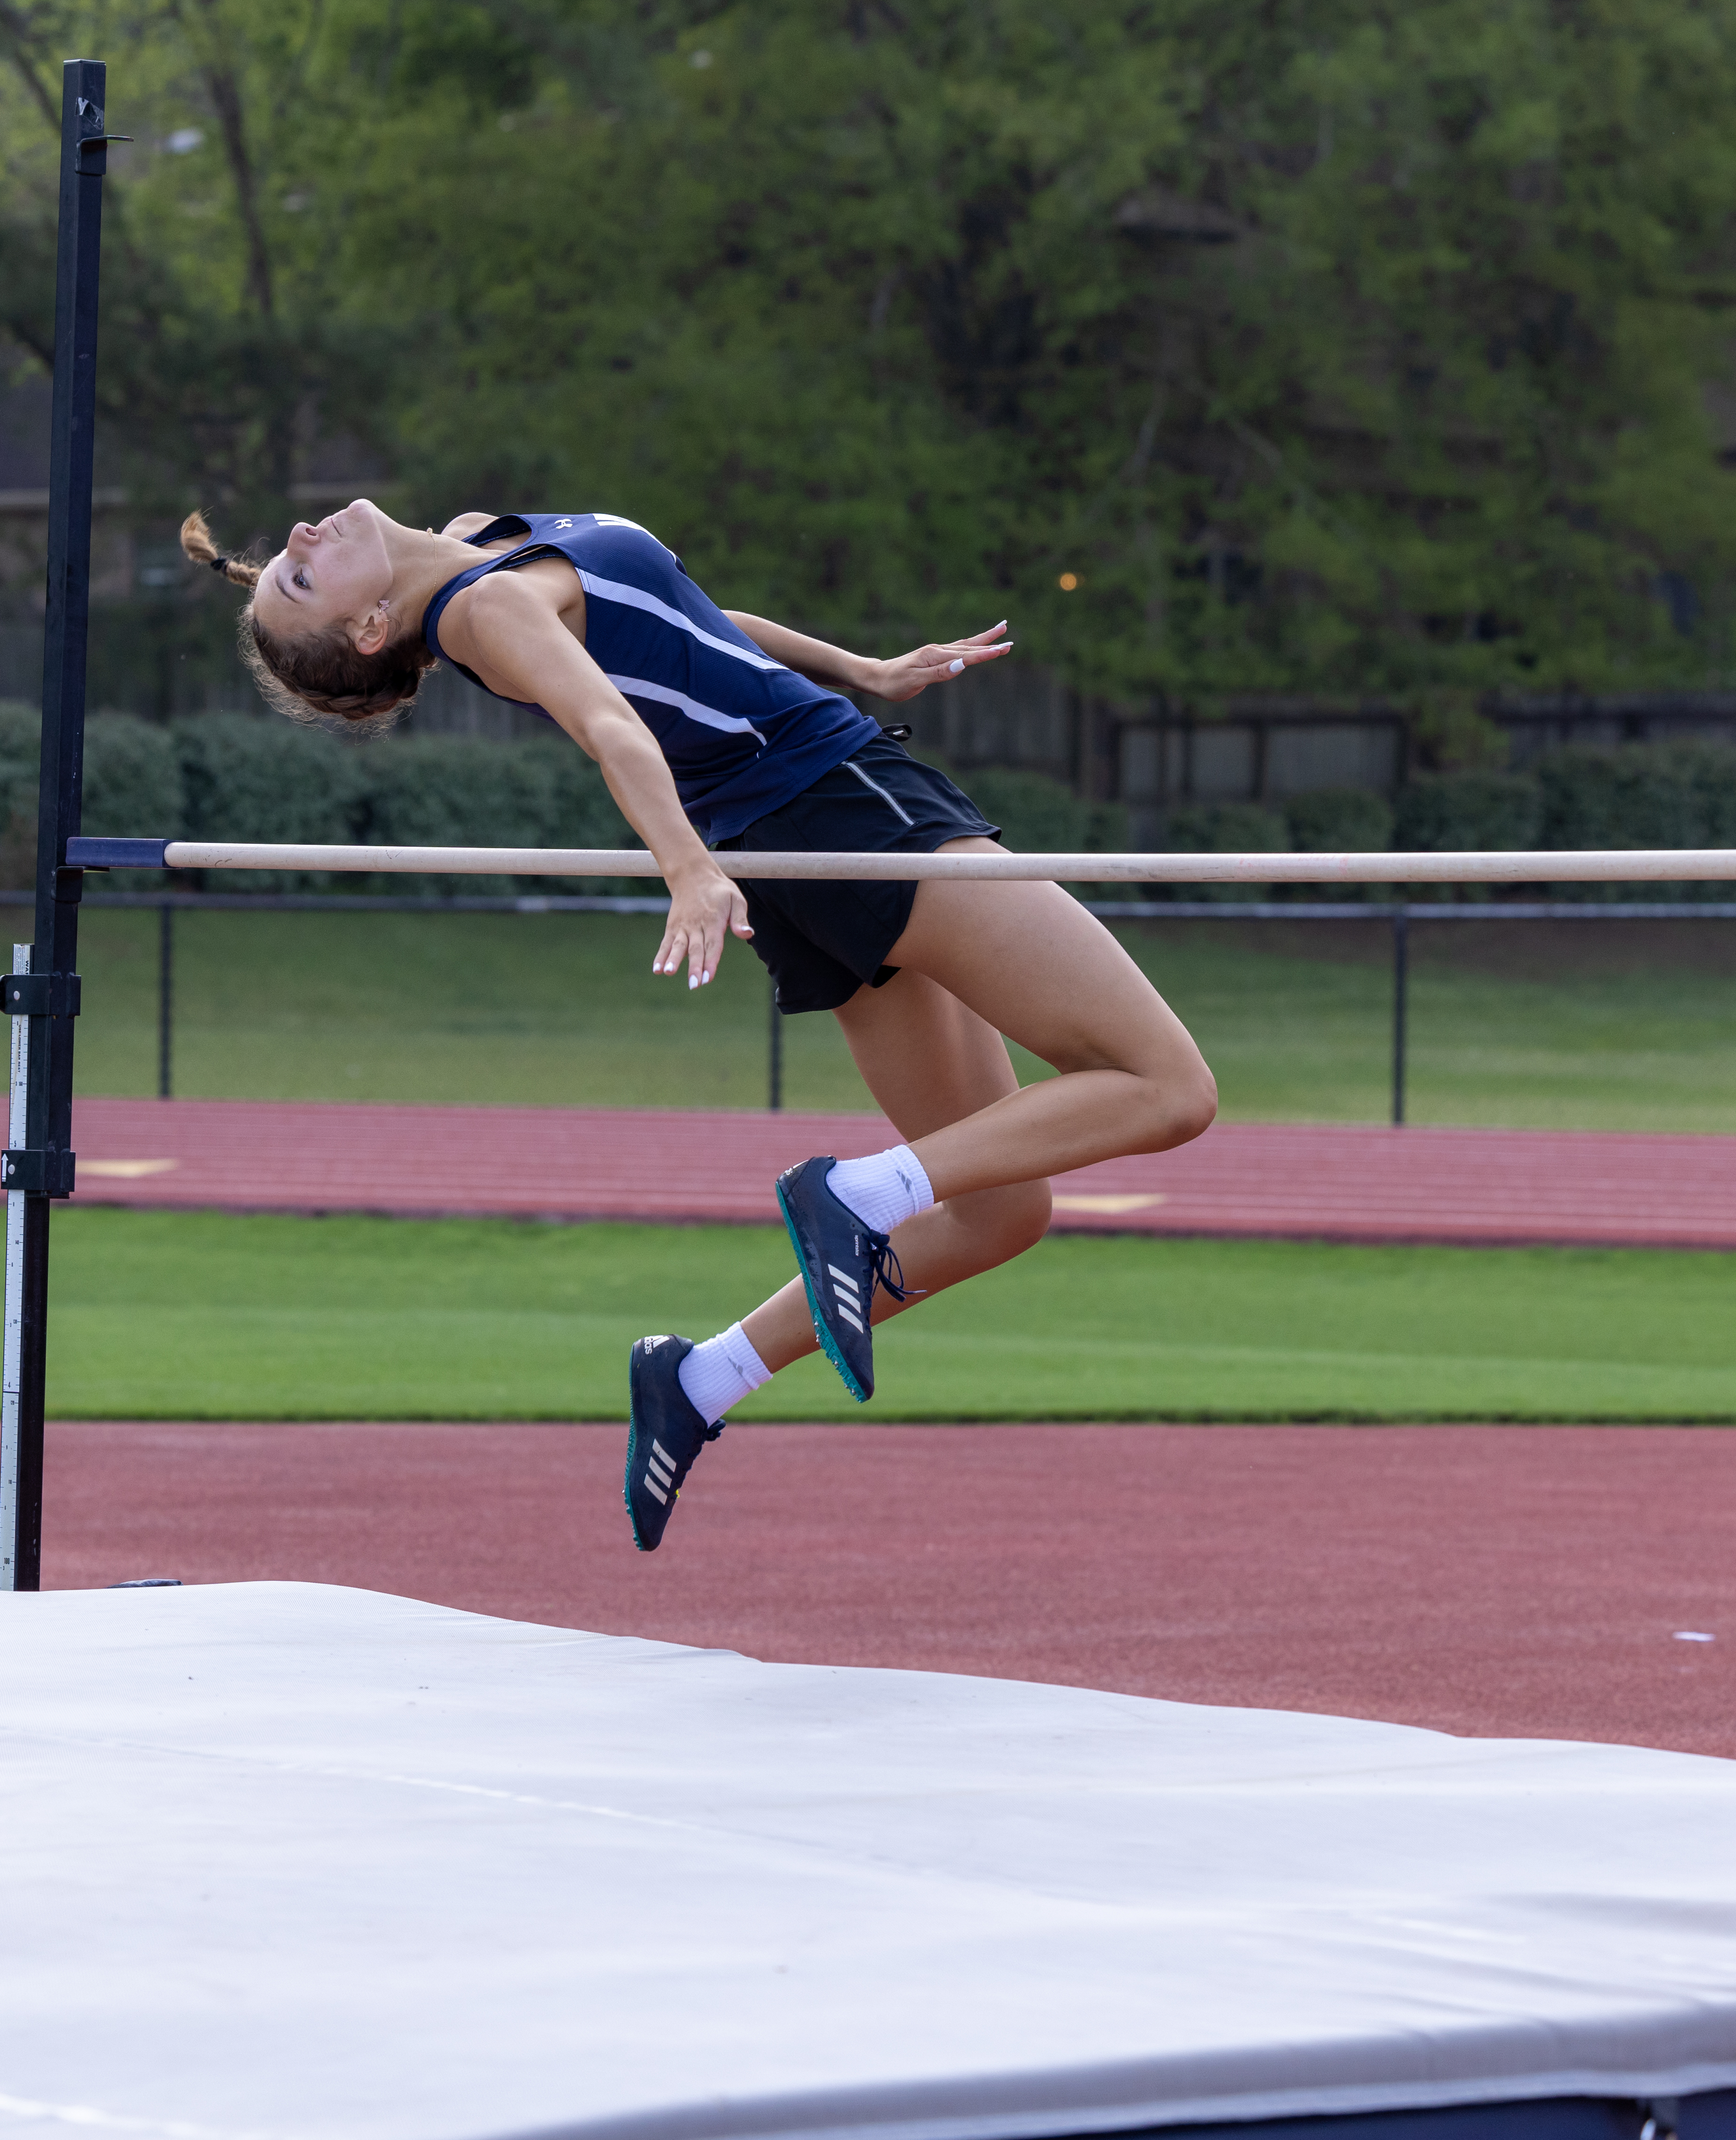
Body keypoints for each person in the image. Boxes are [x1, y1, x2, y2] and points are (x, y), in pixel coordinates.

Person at [191, 500, 1215, 1550]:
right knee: (1165, 1087)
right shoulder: (486, 606)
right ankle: (855, 1191)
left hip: (793, 847)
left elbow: (689, 617)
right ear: (371, 631)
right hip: (837, 809)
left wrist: (857, 665)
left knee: (998, 1214)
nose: (303, 541)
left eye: (289, 556)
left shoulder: (484, 542)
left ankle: (698, 1373)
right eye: (301, 579)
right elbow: (607, 722)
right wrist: (685, 865)